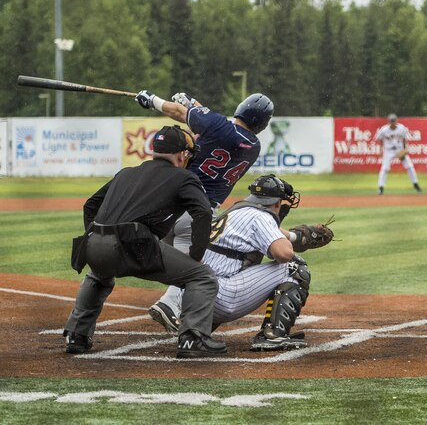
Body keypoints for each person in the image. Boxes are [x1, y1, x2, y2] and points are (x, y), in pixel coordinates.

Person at [63, 125, 226, 359]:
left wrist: (94, 235)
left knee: (98, 275)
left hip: (93, 242)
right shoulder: (184, 177)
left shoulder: (125, 173)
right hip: (135, 244)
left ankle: (75, 335)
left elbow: (90, 205)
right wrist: (196, 253)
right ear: (182, 154)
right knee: (202, 277)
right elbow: (202, 211)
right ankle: (193, 339)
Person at [134, 89, 273, 333]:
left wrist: (151, 100)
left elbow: (181, 113)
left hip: (168, 205)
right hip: (199, 211)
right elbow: (210, 122)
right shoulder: (253, 146)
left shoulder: (219, 126)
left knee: (161, 259)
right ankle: (172, 306)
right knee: (190, 266)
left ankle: (166, 302)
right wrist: (192, 103)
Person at [203, 174, 334, 350]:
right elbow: (284, 254)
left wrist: (296, 236)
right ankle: (273, 335)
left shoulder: (236, 211)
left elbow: (277, 234)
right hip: (223, 299)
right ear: (277, 203)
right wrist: (292, 241)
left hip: (197, 299)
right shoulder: (261, 216)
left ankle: (197, 330)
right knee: (295, 267)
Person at [373, 113, 421, 195]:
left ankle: (415, 184)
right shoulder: (384, 130)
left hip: (399, 149)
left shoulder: (401, 128)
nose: (393, 122)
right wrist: (381, 150)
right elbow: (379, 139)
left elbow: (405, 139)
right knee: (385, 168)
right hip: (388, 150)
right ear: (389, 121)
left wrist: (405, 150)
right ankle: (381, 187)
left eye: (394, 121)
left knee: (409, 166)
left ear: (396, 121)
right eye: (391, 121)